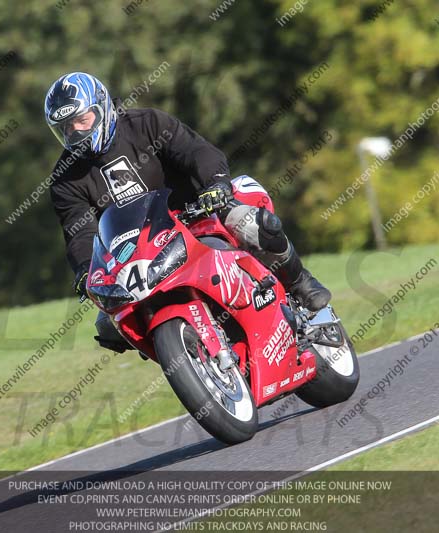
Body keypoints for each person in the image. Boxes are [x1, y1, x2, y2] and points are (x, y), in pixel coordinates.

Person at [45, 72, 331, 352]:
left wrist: (215, 184)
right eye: (67, 128)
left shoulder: (148, 123)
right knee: (109, 324)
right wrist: (85, 269)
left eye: (83, 120)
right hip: (140, 254)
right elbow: (79, 230)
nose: (77, 132)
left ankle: (299, 283)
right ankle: (190, 352)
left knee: (253, 225)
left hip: (198, 214)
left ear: (103, 107)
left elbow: (196, 151)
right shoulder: (64, 179)